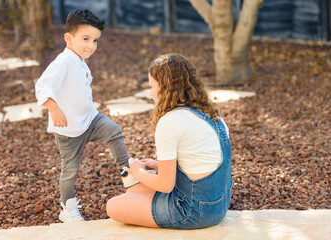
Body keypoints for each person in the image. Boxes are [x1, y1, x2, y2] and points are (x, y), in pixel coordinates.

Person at [35, 9, 139, 223]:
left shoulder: (79, 60)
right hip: (69, 129)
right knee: (70, 169)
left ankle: (126, 171)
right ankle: (67, 207)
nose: (91, 46)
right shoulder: (63, 62)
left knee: (113, 130)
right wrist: (54, 108)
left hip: (89, 119)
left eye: (95, 40)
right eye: (85, 39)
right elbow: (42, 85)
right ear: (68, 38)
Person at [106, 53, 232, 229]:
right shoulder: (212, 114)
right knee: (134, 191)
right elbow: (201, 159)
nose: (151, 93)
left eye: (152, 86)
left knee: (113, 206)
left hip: (192, 212)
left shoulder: (170, 121)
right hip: (219, 204)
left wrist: (138, 171)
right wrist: (159, 165)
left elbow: (165, 185)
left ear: (165, 88)